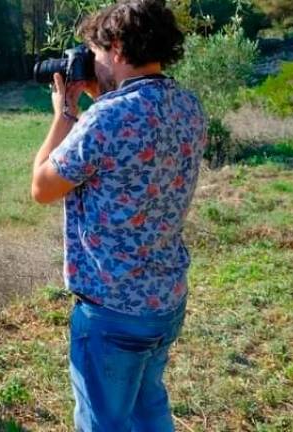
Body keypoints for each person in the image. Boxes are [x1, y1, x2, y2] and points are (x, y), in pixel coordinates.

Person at [30, 0, 207, 430]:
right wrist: (101, 95)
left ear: (118, 48)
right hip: (165, 298)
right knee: (148, 409)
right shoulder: (188, 106)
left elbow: (42, 187)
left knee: (104, 423)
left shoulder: (107, 118)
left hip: (113, 311)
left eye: (95, 52)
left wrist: (65, 114)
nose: (92, 62)